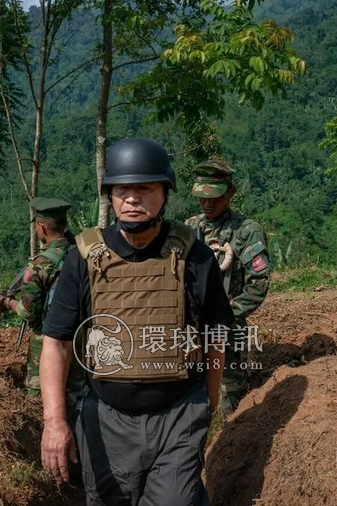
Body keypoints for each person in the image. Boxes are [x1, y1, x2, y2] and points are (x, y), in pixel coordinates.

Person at [38, 138, 234, 505]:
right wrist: (54, 422)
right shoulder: (84, 256)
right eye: (122, 190)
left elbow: (215, 334)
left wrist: (207, 401)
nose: (132, 198)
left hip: (178, 415)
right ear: (110, 197)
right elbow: (57, 342)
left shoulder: (195, 255)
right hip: (108, 419)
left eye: (145, 188)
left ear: (164, 193)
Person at [185, 159, 270, 416]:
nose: (208, 203)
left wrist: (224, 316)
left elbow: (258, 284)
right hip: (191, 331)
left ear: (231, 192)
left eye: (215, 197)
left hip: (227, 332)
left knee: (227, 401)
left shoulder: (246, 231)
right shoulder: (189, 228)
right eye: (202, 198)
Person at [0, 197, 83, 410]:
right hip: (80, 339)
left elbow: (28, 312)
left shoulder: (40, 264)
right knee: (76, 396)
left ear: (41, 227)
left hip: (48, 343)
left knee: (41, 400)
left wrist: (8, 302)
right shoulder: (80, 254)